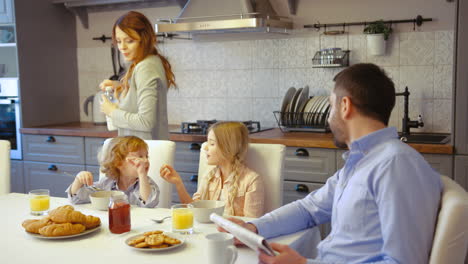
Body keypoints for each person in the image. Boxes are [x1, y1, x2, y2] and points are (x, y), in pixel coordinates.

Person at [219, 63, 442, 264]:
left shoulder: (396, 165)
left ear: (345, 106)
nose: (329, 117)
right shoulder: (362, 161)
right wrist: (254, 227)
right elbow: (308, 209)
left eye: (331, 106)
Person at [160, 121, 265, 217]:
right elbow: (193, 210)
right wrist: (179, 183)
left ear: (227, 148)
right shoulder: (209, 176)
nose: (205, 147)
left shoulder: (252, 181)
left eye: (212, 144)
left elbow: (250, 224)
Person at [99, 11, 176, 140]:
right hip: (142, 152)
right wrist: (121, 86)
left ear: (144, 40)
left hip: (144, 152)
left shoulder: (146, 67)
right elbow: (140, 96)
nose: (122, 47)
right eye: (118, 41)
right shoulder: (151, 61)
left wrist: (111, 111)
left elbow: (145, 122)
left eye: (129, 41)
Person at [66, 136, 160, 208]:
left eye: (146, 156)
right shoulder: (106, 183)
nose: (145, 161)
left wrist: (142, 174)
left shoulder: (147, 183)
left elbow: (149, 203)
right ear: (118, 163)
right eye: (140, 157)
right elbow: (77, 199)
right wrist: (78, 180)